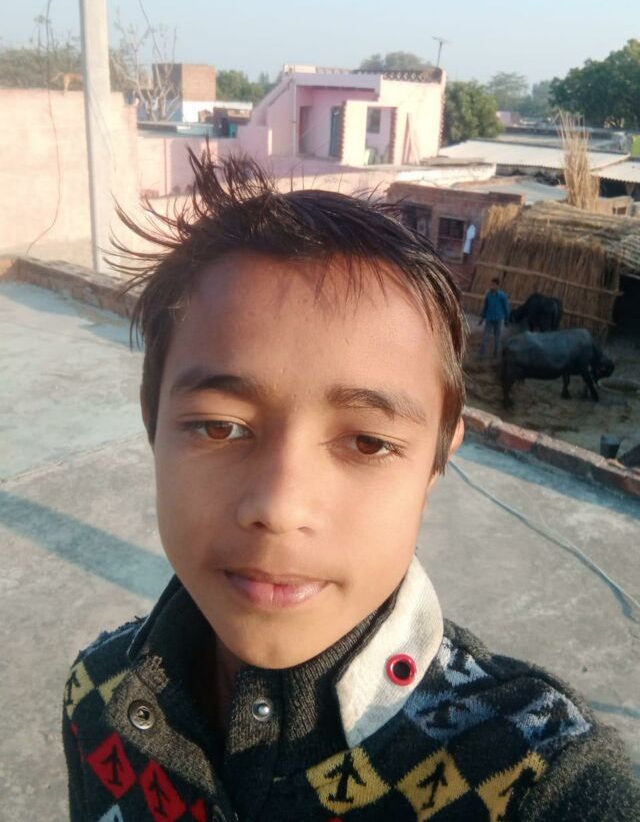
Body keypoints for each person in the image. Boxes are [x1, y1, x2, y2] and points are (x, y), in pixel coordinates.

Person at [62, 154, 639, 822]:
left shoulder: (533, 771)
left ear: (435, 463)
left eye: (367, 442)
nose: (279, 507)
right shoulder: (97, 695)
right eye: (220, 426)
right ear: (153, 423)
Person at [479, 277, 511, 358]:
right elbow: (485, 307)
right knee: (485, 336)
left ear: (497, 286)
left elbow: (506, 308)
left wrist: (507, 320)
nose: (491, 286)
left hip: (499, 319)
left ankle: (496, 353)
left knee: (497, 337)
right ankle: (482, 354)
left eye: (493, 285)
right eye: (491, 285)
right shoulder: (488, 295)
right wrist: (482, 319)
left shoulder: (502, 296)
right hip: (489, 318)